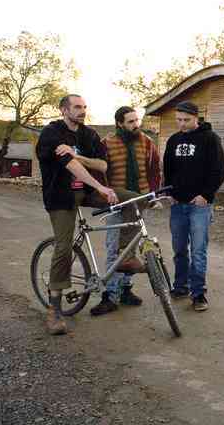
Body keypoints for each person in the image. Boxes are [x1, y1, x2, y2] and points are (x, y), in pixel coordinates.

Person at [36, 94, 145, 336]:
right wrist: (100, 187)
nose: (82, 111)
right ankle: (54, 309)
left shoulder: (88, 134)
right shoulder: (51, 133)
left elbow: (102, 165)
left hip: (85, 192)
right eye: (77, 107)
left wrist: (79, 156)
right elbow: (70, 166)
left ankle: (126, 256)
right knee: (63, 248)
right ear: (64, 110)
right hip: (61, 197)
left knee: (133, 199)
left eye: (84, 107)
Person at [90, 106, 162, 316]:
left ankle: (125, 290)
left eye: (136, 120)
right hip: (117, 204)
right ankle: (109, 295)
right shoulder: (107, 143)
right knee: (114, 248)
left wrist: (153, 195)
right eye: (130, 122)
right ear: (119, 123)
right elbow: (100, 173)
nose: (135, 125)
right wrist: (105, 195)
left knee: (131, 247)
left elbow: (155, 169)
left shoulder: (147, 142)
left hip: (139, 202)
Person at [163, 101, 224, 313]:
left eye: (186, 120)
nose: (181, 124)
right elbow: (169, 169)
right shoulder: (173, 140)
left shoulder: (210, 139)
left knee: (198, 250)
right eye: (178, 120)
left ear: (196, 118)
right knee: (179, 249)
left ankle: (198, 293)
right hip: (178, 205)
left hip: (199, 205)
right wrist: (169, 193)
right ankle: (180, 286)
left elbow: (219, 170)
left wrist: (206, 195)